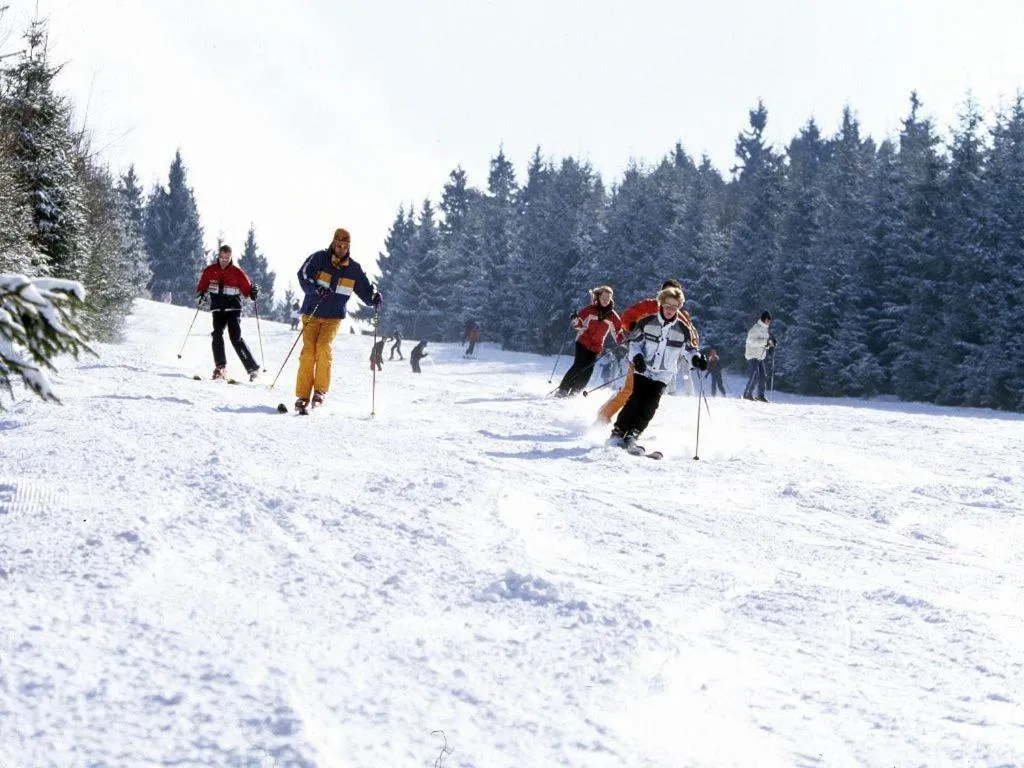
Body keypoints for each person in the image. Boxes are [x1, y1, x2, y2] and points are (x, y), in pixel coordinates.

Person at [294, 227, 380, 411]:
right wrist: (315, 288)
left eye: (345, 245)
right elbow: (303, 275)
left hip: (333, 318)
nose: (341, 248)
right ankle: (302, 396)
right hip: (312, 313)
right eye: (338, 245)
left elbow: (366, 291)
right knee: (309, 352)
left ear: (349, 246)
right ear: (333, 243)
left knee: (323, 348)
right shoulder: (318, 258)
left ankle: (320, 391)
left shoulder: (354, 270)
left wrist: (374, 298)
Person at [611, 286, 706, 449]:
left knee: (650, 406)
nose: (670, 310)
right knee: (635, 400)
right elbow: (634, 344)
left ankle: (634, 433)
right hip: (644, 369)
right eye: (668, 305)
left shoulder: (683, 329)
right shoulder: (647, 322)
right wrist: (637, 357)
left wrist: (696, 359)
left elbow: (690, 350)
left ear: (679, 307)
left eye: (675, 306)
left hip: (663, 375)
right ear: (661, 304)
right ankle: (618, 431)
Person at [596, 279, 699, 423]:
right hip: (640, 356)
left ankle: (631, 424)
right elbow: (626, 317)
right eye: (667, 294)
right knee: (630, 390)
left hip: (659, 366)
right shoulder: (648, 305)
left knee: (646, 397)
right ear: (661, 294)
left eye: (674, 296)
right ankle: (604, 416)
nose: (670, 301)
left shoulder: (678, 317)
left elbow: (691, 339)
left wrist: (695, 356)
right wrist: (635, 328)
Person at [195, 244, 261, 381]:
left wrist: (254, 292)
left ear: (231, 257)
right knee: (217, 334)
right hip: (218, 309)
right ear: (218, 256)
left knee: (235, 337)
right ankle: (220, 368)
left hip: (233, 309)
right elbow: (201, 288)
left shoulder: (237, 272)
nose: (224, 260)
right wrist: (201, 296)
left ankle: (253, 369)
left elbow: (248, 291)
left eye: (227, 257)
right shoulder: (210, 271)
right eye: (222, 257)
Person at [556, 285, 623, 397]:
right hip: (583, 341)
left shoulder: (612, 316)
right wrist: (575, 319)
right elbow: (578, 324)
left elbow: (617, 332)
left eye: (608, 298)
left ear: (611, 299)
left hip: (596, 346)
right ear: (599, 297)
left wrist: (622, 341)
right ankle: (563, 389)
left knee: (588, 370)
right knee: (579, 365)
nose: (606, 300)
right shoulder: (590, 310)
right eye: (603, 298)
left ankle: (575, 392)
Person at [742, 311, 775, 402]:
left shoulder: (765, 329)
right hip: (752, 355)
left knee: (763, 376)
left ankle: (760, 395)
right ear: (765, 319)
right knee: (755, 374)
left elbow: (765, 342)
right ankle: (747, 394)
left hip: (760, 356)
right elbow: (751, 342)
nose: (770, 322)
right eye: (769, 320)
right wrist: (765, 343)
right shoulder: (755, 329)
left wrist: (771, 344)